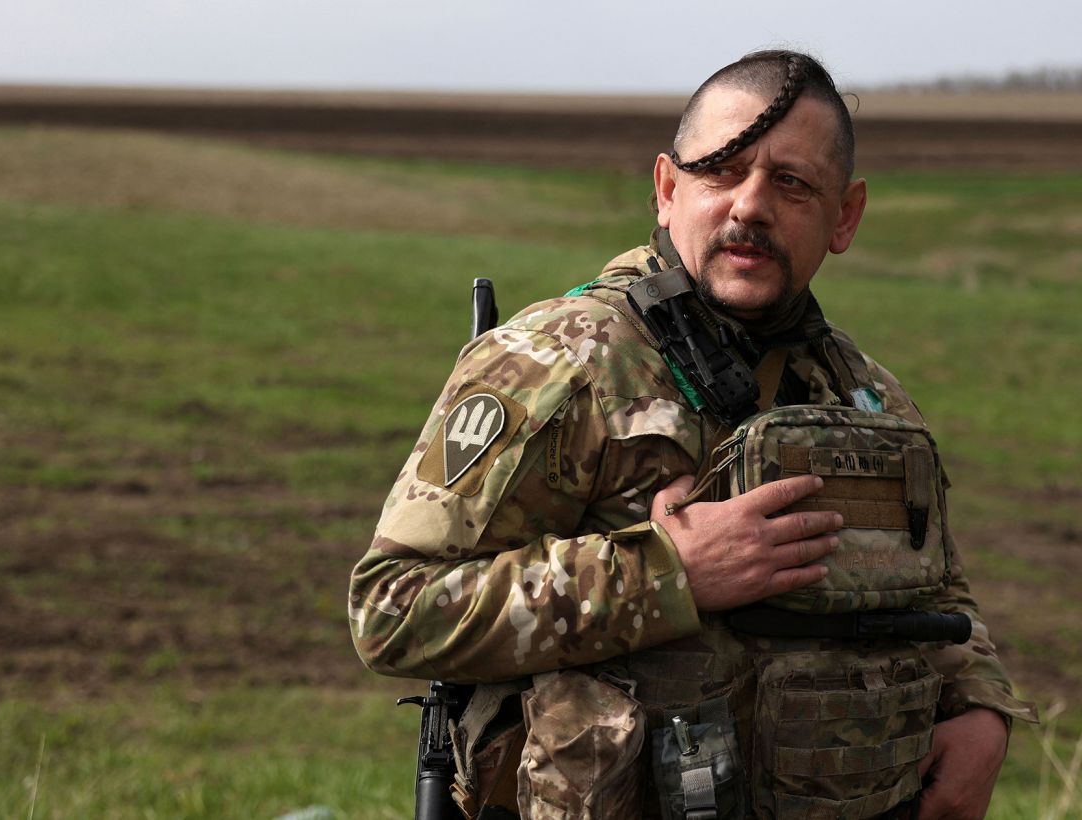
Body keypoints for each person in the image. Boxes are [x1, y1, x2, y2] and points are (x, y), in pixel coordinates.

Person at [350, 50, 1036, 820]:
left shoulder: (863, 393)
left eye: (792, 183)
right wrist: (668, 572)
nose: (750, 206)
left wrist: (982, 708)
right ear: (668, 189)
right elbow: (392, 609)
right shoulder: (558, 363)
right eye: (721, 171)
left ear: (844, 216)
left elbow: (938, 592)